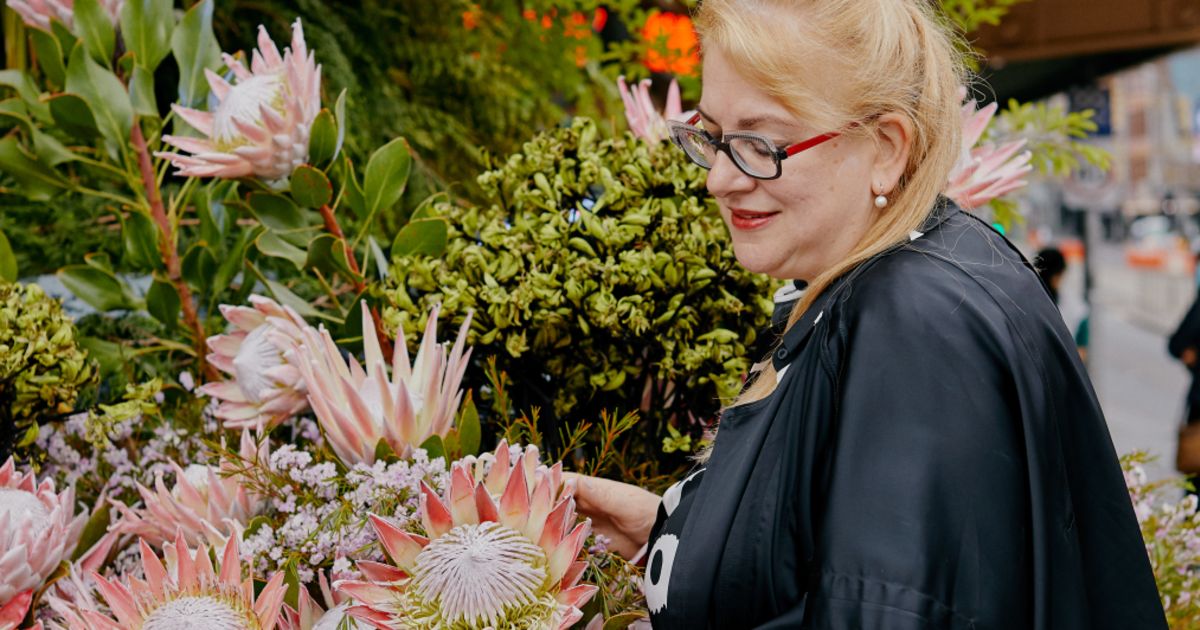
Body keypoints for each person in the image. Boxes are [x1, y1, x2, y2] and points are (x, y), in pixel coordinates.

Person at [569, 0, 1166, 628]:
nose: (720, 177)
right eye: (713, 136)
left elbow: (890, 606)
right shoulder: (913, 273)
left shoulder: (915, 326)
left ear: (885, 146)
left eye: (760, 143)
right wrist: (671, 535)